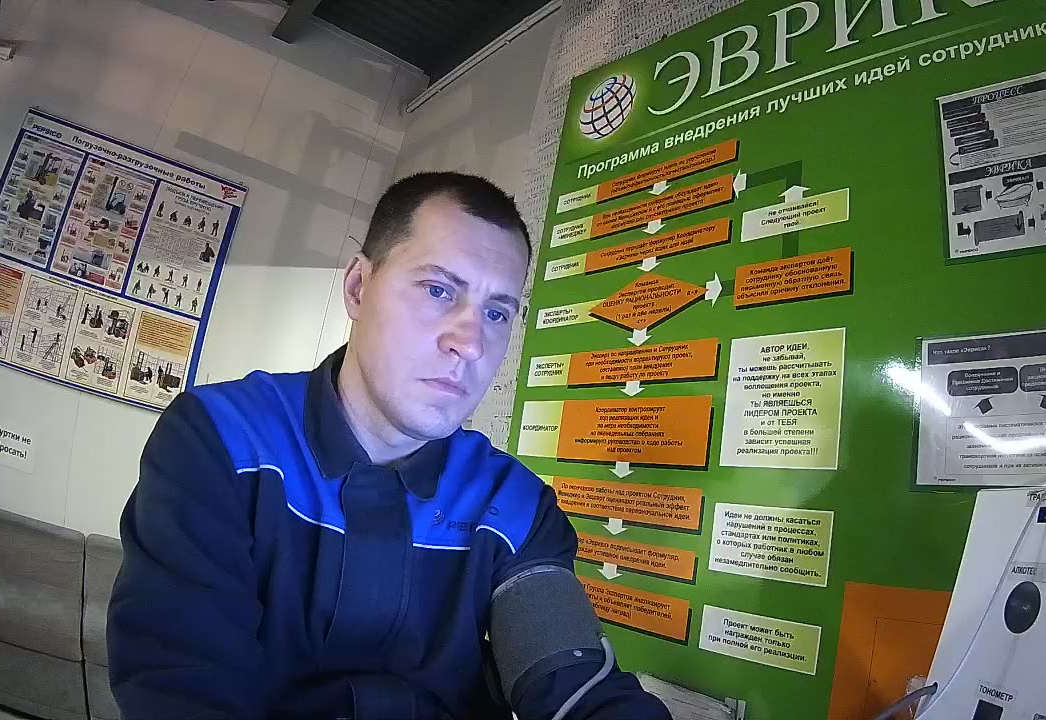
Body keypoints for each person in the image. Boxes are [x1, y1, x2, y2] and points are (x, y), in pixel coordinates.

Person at [107, 172, 670, 720]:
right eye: (438, 290)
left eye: (497, 313)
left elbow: (575, 685)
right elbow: (187, 685)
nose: (471, 343)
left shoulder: (516, 506)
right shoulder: (220, 441)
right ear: (358, 287)